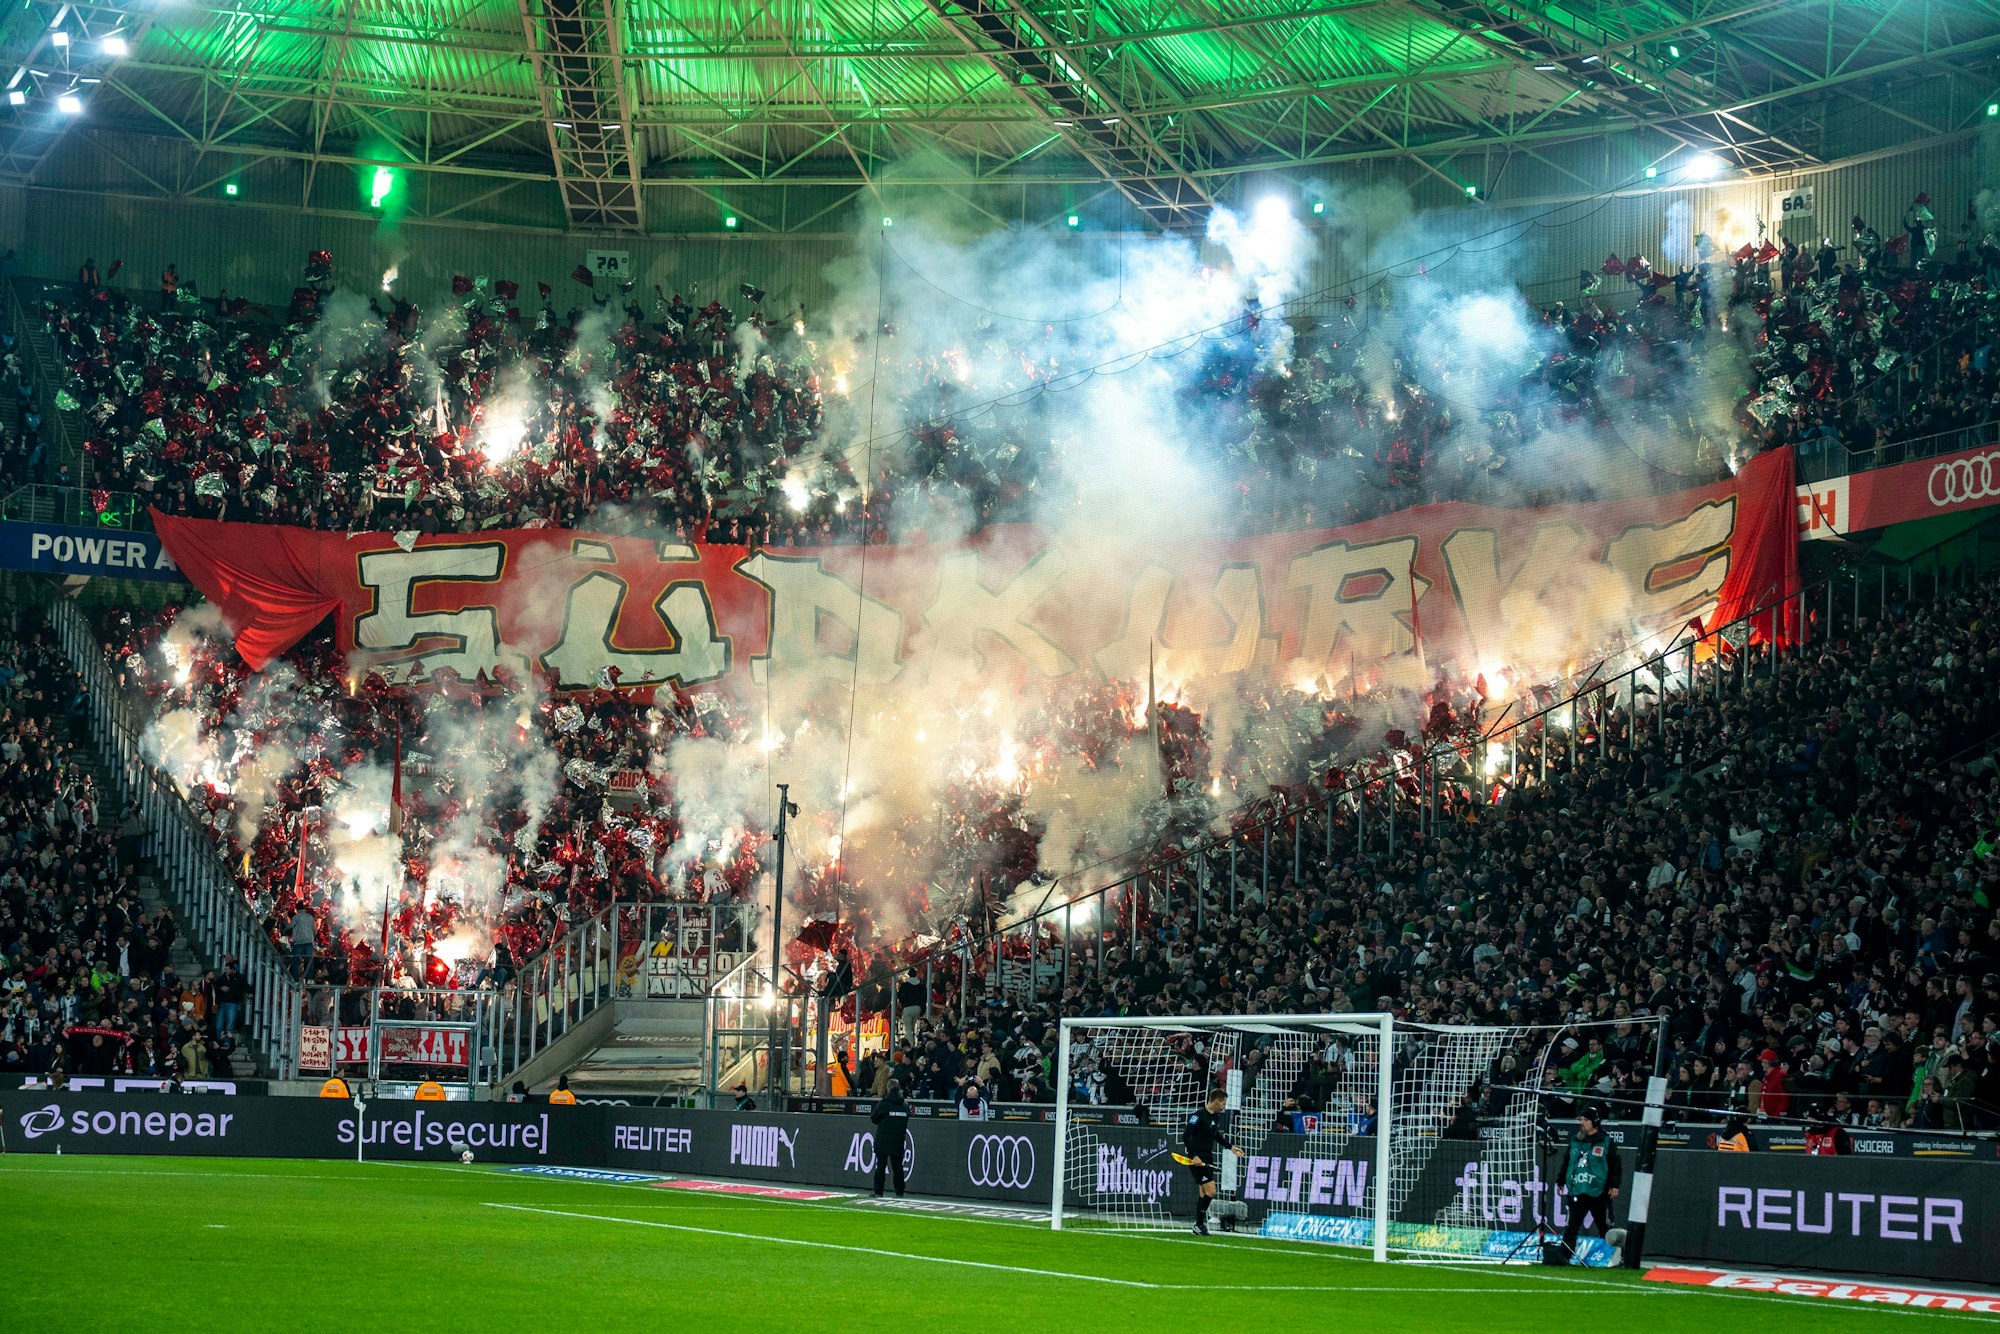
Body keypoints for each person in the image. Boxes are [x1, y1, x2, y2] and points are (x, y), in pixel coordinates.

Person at [1559, 1104, 1619, 1263]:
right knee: (1572, 1226)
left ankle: (1612, 1257)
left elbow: (1615, 1165)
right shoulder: (1575, 1140)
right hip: (1577, 1189)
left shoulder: (1606, 1141)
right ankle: (1564, 1256)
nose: (1581, 1123)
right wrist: (1560, 1181)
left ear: (1594, 1122)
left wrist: (1615, 1185)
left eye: (1585, 1120)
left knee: (1604, 1227)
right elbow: (1567, 1162)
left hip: (1598, 1191)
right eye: (1581, 1119)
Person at [1183, 1089, 1245, 1237]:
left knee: (1203, 1192)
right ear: (1216, 1101)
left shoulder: (1215, 1117)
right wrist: (1194, 1156)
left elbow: (1215, 1135)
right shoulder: (1197, 1116)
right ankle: (1198, 1224)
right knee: (1211, 1191)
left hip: (1207, 1157)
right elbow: (1186, 1135)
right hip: (1197, 1159)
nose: (1224, 1106)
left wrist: (1230, 1147)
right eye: (1223, 1103)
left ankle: (1198, 1226)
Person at [870, 1079, 911, 1198]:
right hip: (898, 1140)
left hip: (883, 1140)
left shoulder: (884, 1103)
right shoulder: (904, 1104)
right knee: (898, 1167)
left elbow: (874, 1118)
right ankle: (899, 1192)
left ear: (888, 1088)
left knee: (881, 1166)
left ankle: (878, 1192)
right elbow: (907, 1118)